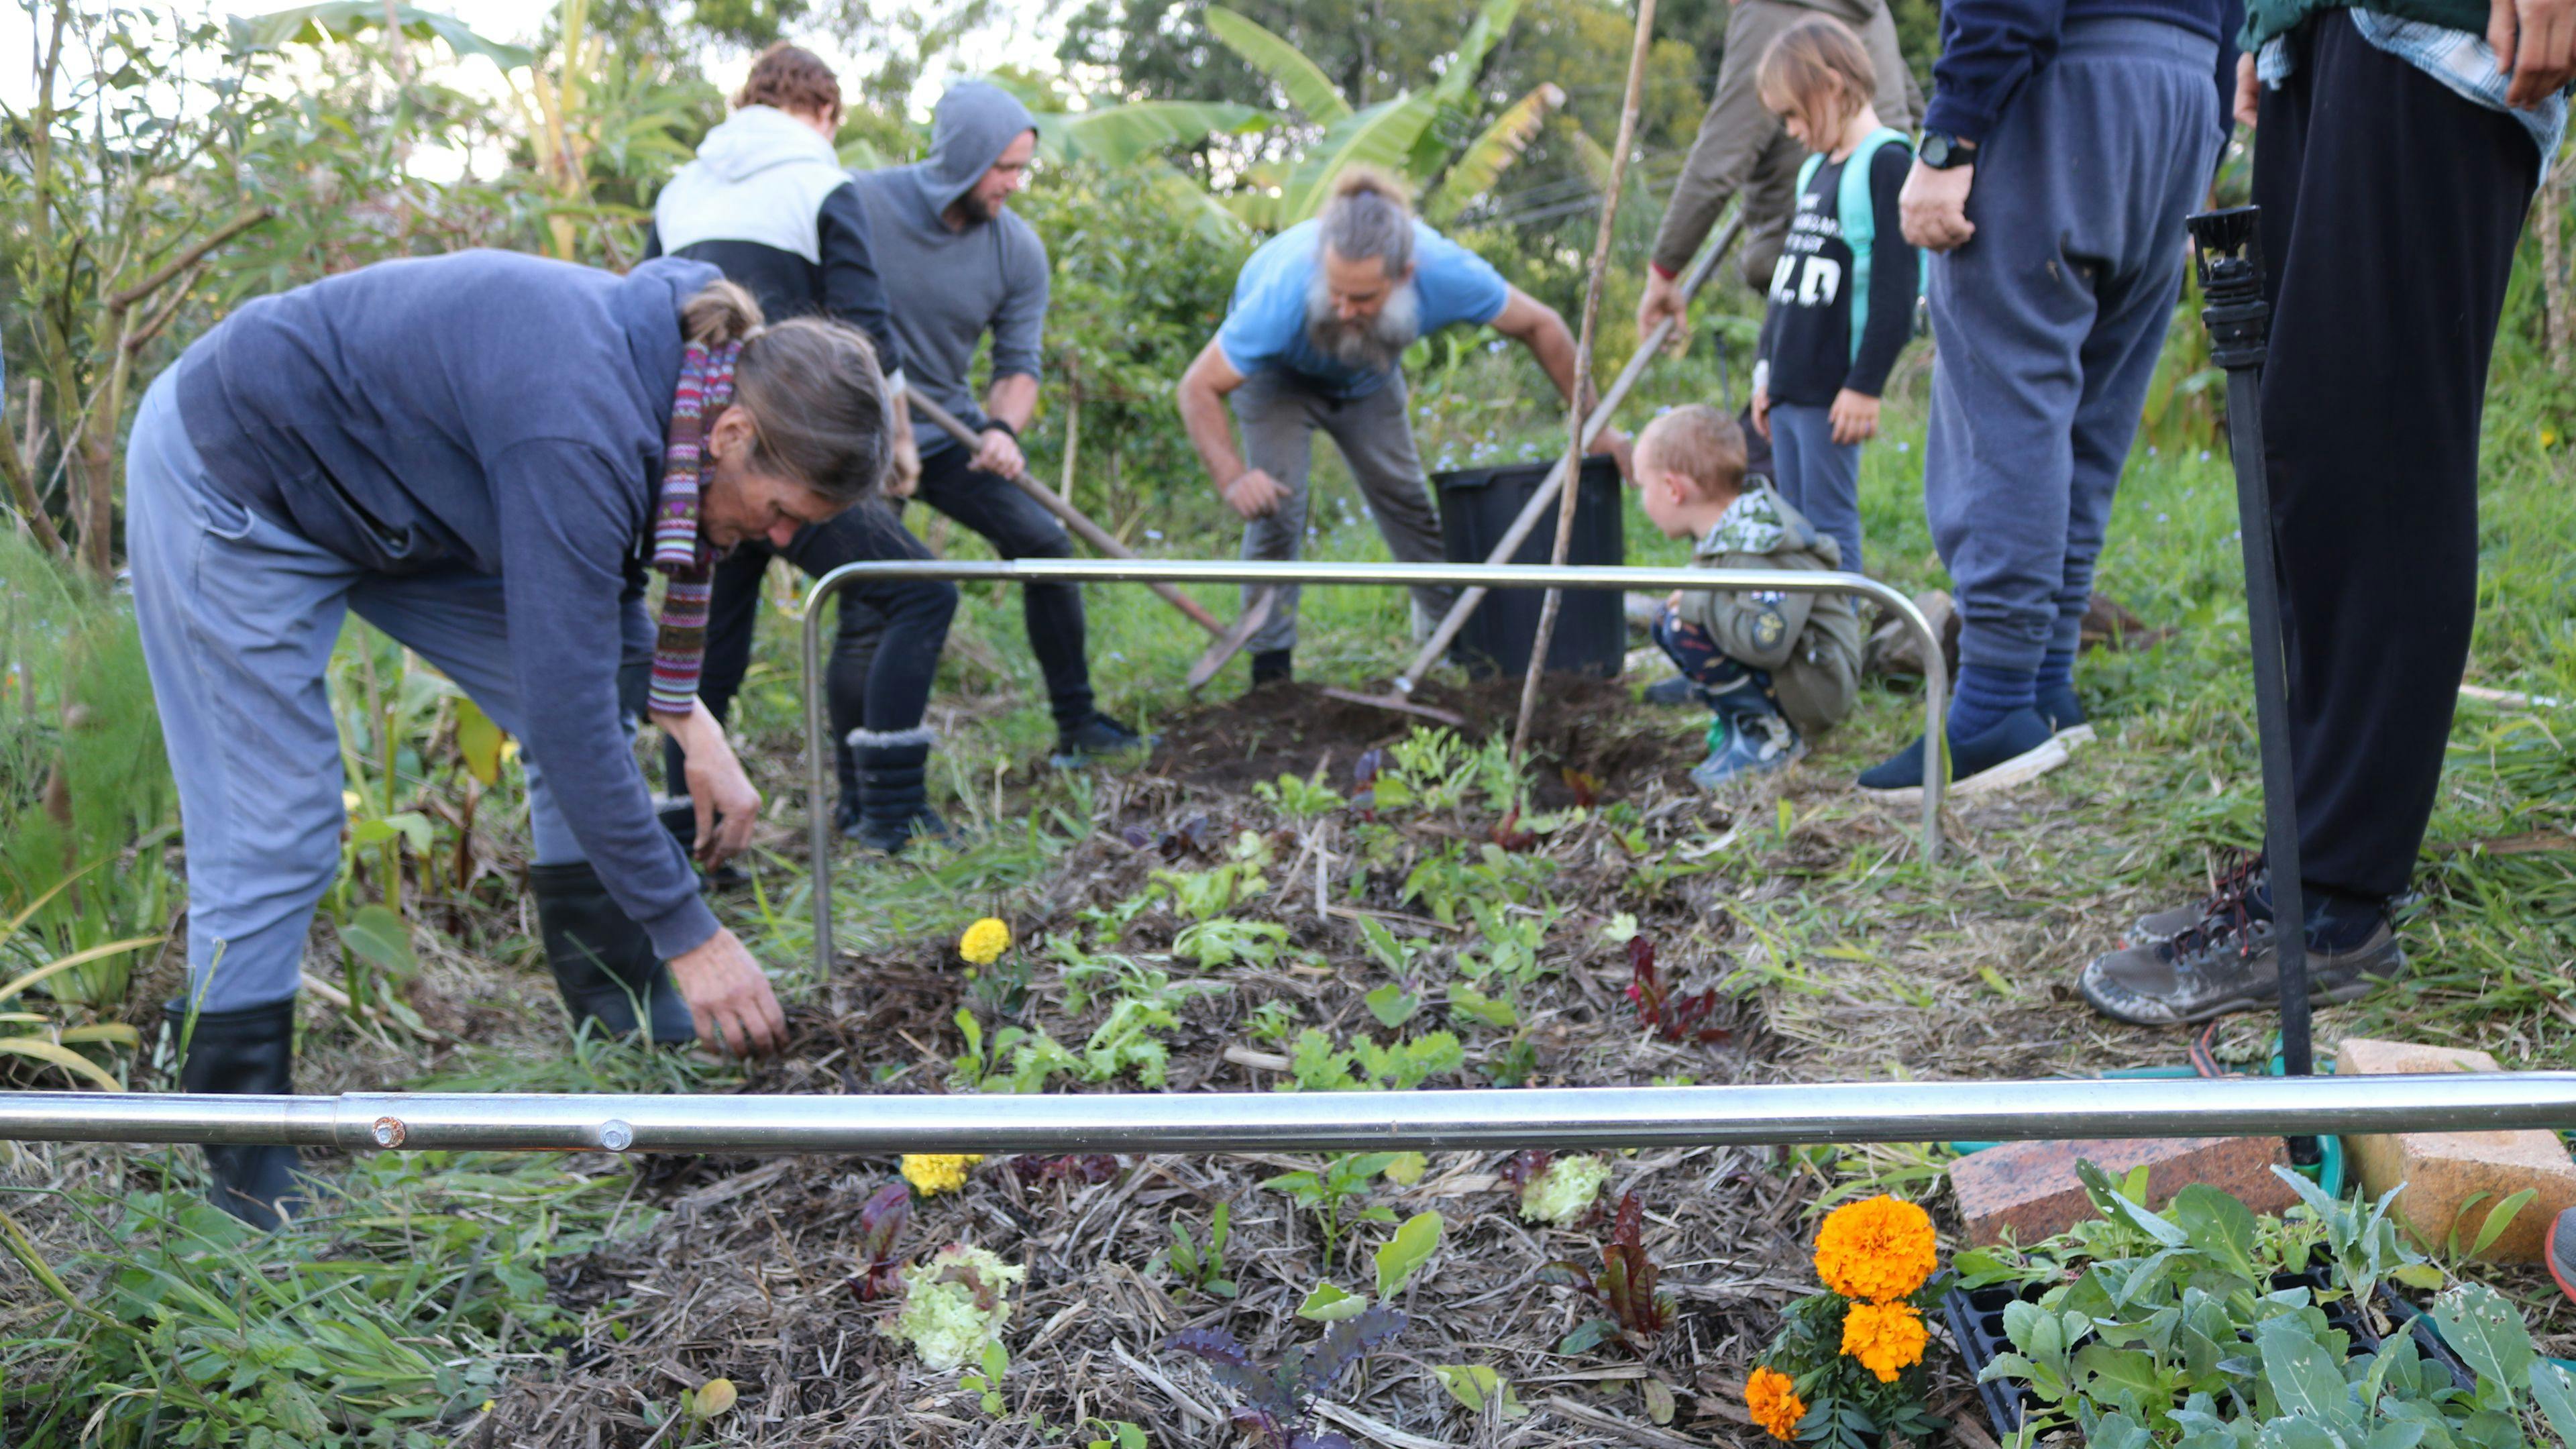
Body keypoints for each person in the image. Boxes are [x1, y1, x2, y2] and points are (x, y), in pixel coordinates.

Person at [128, 254, 890, 1224]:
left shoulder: (684, 383)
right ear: (735, 434)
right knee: (275, 825)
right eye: (783, 513)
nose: (781, 541)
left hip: (397, 504)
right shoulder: (580, 427)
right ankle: (241, 1155)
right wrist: (690, 932)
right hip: (241, 478)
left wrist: (688, 717)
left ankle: (615, 1001)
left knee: (593, 713)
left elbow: (590, 613)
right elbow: (566, 706)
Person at [2078, 0, 2571, 1024]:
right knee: (2305, 437)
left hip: (2443, 34)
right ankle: (2307, 860)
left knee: (2376, 437)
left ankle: (2337, 905)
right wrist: (2278, 23)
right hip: (2341, 26)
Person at [1851, 0, 2240, 797]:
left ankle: (1993, 704)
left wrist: (1951, 133)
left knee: (2006, 406)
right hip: (2186, 90)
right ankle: (2046, 689)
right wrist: (2211, 121)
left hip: (2064, 80)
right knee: (2093, 413)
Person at [647, 43, 959, 851]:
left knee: (707, 654)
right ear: (823, 114)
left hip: (703, 451)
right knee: (918, 592)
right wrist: (895, 440)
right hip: (796, 443)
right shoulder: (821, 179)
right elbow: (865, 325)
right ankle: (885, 816)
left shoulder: (680, 187)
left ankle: (691, 850)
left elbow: (653, 311)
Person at [1175, 168, 1625, 688]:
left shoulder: (1448, 272)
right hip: (1276, 381)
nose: (1344, 309)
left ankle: (1467, 645)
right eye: (1335, 292)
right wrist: (1233, 477)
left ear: (1406, 274)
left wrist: (1596, 428)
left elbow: (1541, 324)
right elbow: (1197, 387)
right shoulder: (1283, 288)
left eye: (1363, 299)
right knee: (1278, 509)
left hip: (1367, 379)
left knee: (1408, 501)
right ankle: (1271, 674)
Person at [849, 81, 1148, 766]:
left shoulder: (1016, 249)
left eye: (1023, 167)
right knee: (872, 600)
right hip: (862, 437)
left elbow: (1018, 365)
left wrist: (1002, 430)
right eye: (1004, 167)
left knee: (1043, 542)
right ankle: (864, 780)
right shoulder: (860, 204)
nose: (1016, 183)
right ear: (961, 157)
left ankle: (1078, 725)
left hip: (947, 428)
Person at [1747, 15, 1921, 575]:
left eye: (1794, 114)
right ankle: (1807, 651)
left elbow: (1897, 291)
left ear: (1832, 86)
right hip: (1789, 387)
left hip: (1832, 393)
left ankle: (1839, 649)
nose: (1792, 130)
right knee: (1796, 525)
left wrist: (1865, 386)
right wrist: (1763, 372)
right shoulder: (1815, 172)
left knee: (1829, 523)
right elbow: (1785, 288)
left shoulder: (1888, 162)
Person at [1634, 405, 1862, 786]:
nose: (1642, 501)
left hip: (1817, 687)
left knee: (1681, 623)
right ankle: (1743, 723)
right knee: (1669, 621)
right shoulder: (1731, 534)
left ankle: (1768, 740)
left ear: (1674, 489)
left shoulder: (1759, 544)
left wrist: (1695, 600)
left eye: (1644, 487)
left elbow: (1766, 641)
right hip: (1795, 674)